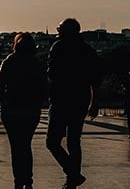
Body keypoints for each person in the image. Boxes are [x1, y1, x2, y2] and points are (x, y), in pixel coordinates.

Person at [45, 18, 99, 189]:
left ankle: (73, 174)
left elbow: (51, 73)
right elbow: (94, 79)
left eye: (59, 28)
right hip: (80, 99)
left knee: (52, 142)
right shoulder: (87, 50)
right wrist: (94, 101)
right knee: (74, 141)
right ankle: (72, 179)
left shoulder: (58, 47)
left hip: (61, 99)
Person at [0, 32, 46, 189]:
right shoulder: (36, 63)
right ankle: (28, 180)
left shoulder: (9, 61)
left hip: (11, 110)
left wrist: (1, 103)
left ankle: (18, 181)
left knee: (16, 148)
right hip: (30, 111)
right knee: (26, 145)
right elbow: (44, 86)